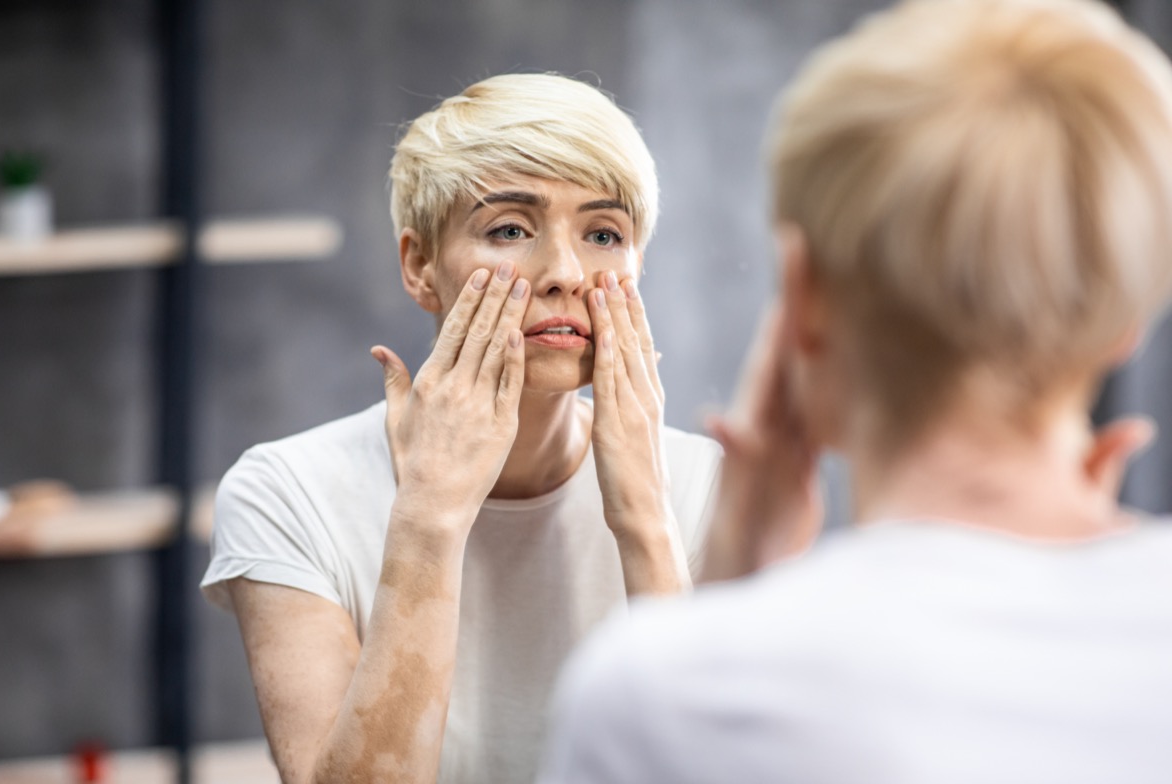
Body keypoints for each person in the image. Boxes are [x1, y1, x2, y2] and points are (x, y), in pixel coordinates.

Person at [538, 1, 1172, 782]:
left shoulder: (653, 700)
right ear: (1128, 323)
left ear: (801, 296)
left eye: (603, 234)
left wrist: (733, 599)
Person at [199, 72, 720, 784]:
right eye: (509, 229)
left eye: (604, 233)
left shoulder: (709, 486)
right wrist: (430, 514)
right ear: (420, 266)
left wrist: (644, 523)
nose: (564, 273)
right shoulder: (288, 492)